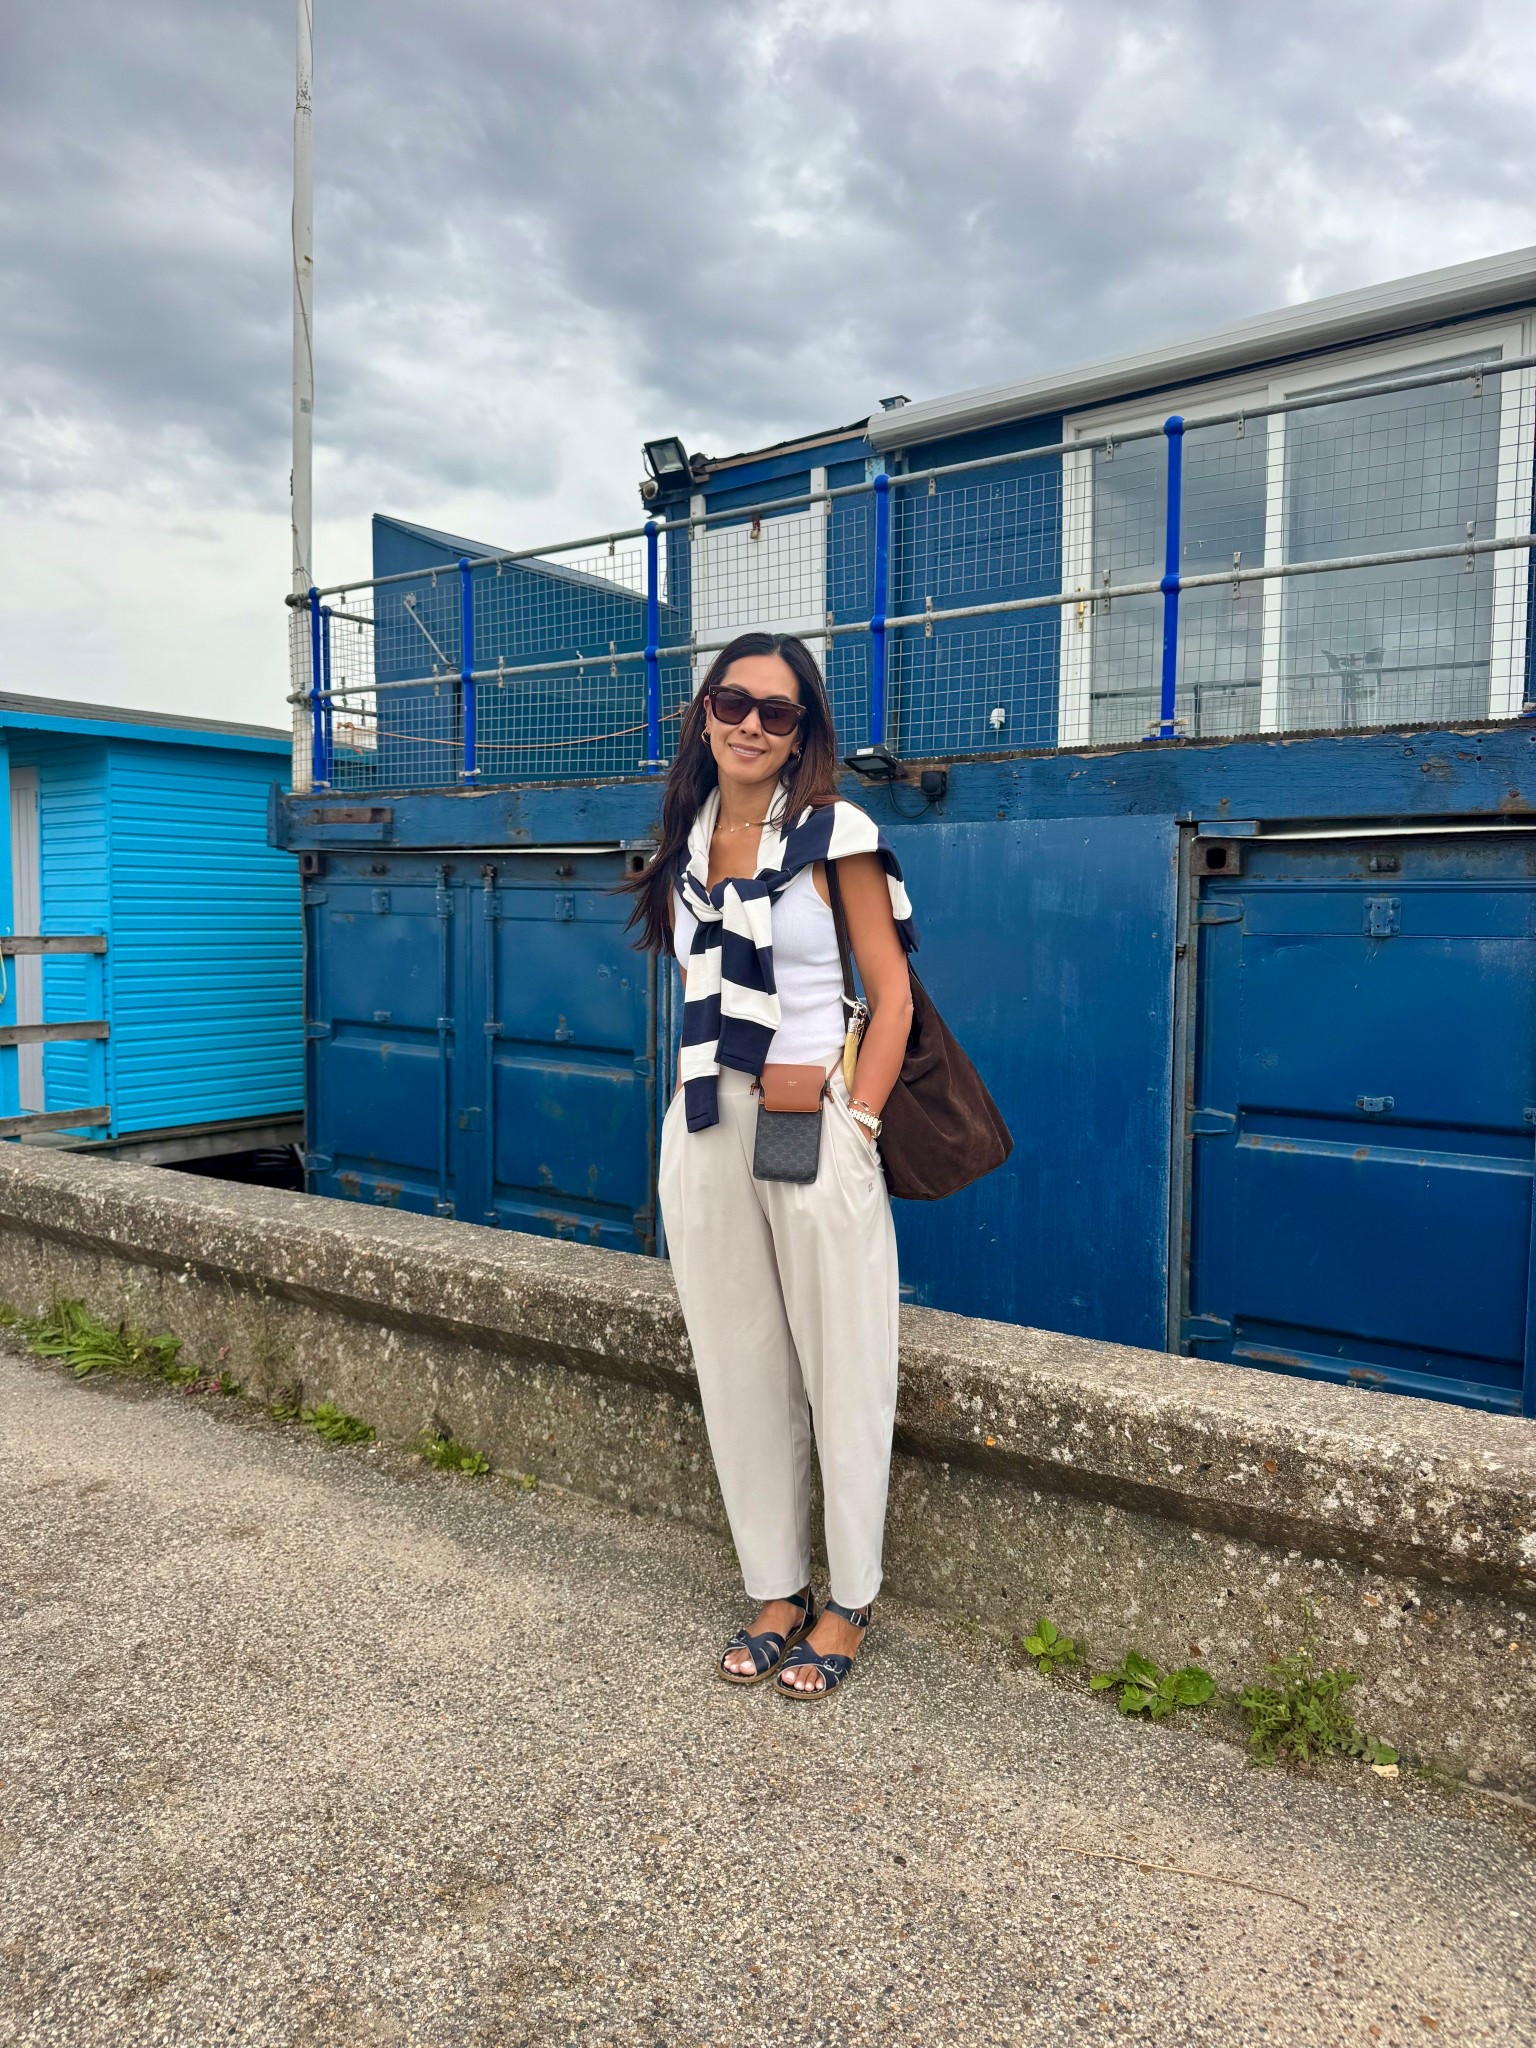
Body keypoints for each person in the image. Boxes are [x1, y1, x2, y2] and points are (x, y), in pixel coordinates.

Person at [623, 631, 914, 1699]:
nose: (751, 721)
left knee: (844, 1361)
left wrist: (862, 1125)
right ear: (704, 712)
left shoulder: (838, 834)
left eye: (777, 710)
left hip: (808, 1114)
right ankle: (777, 1584)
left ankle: (849, 1599)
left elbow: (893, 998)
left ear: (803, 732)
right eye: (733, 701)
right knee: (739, 1363)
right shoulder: (686, 844)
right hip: (705, 1122)